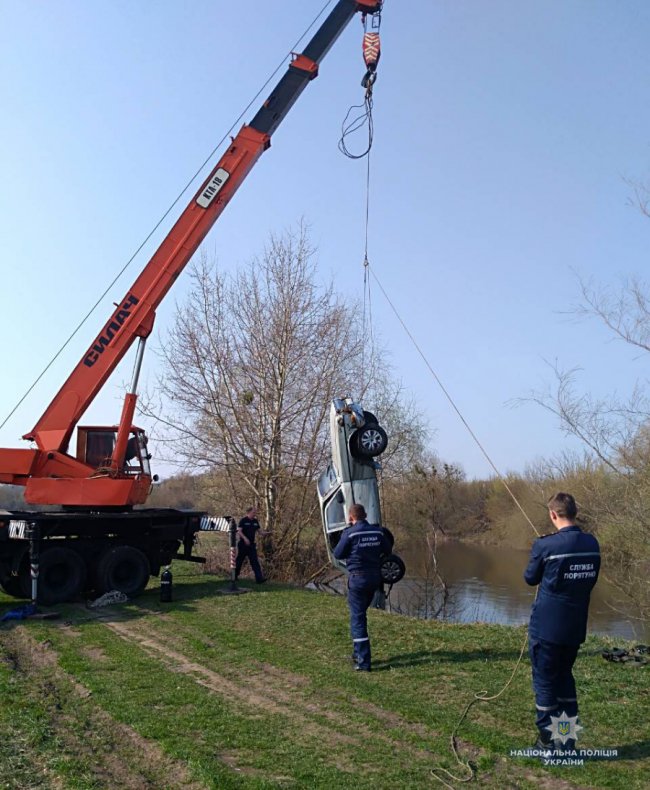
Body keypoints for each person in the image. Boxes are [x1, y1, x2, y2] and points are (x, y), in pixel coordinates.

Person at [524, 492, 601, 751]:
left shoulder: (545, 546)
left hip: (547, 628)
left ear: (553, 514)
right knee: (565, 680)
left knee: (545, 682)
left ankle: (547, 742)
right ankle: (566, 741)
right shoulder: (592, 543)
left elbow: (530, 578)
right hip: (574, 628)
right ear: (575, 512)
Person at [333, 503, 393, 672]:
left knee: (358, 619)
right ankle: (357, 653)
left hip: (358, 579)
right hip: (374, 578)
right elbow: (388, 550)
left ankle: (363, 662)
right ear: (365, 515)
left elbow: (337, 554)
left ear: (351, 517)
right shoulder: (378, 532)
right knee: (360, 615)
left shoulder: (350, 533)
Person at [235, 507, 267, 584]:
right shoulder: (243, 520)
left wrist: (265, 534)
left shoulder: (255, 521)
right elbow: (239, 531)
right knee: (239, 561)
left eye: (255, 512)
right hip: (243, 544)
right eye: (253, 512)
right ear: (248, 513)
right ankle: (234, 576)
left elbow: (259, 532)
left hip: (251, 545)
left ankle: (259, 579)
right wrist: (245, 538)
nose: (255, 514)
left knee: (255, 561)